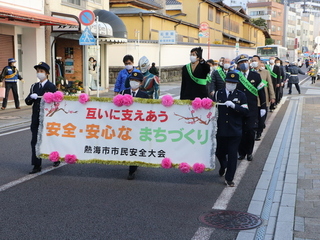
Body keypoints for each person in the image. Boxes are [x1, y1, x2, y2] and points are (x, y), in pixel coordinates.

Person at [214, 71, 248, 187]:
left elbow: (245, 111)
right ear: (225, 82)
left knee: (233, 155)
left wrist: (235, 106)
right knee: (219, 152)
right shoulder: (219, 93)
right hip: (221, 129)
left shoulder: (241, 95)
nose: (231, 84)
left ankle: (229, 179)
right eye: (229, 82)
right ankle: (223, 165)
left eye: (233, 83)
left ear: (237, 84)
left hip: (235, 130)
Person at [25, 62, 58, 174]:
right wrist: (31, 97)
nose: (39, 73)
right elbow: (27, 102)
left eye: (41, 71)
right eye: (38, 71)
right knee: (35, 141)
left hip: (48, 118)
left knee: (50, 140)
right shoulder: (34, 86)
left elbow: (57, 102)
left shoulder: (51, 86)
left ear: (47, 73)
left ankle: (55, 158)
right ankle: (36, 165)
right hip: (36, 118)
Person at [234, 54, 266, 161]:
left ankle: (249, 152)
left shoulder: (255, 76)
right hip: (239, 108)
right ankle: (241, 152)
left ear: (248, 62)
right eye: (241, 63)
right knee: (240, 132)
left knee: (251, 131)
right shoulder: (236, 76)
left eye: (245, 62)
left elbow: (261, 92)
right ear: (238, 65)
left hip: (252, 109)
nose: (243, 64)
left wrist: (263, 107)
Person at [121, 72, 149, 180]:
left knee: (134, 146)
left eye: (137, 81)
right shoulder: (123, 92)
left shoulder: (144, 95)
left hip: (137, 126)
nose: (134, 82)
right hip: (124, 126)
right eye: (132, 80)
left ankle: (132, 170)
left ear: (141, 83)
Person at [251, 56, 276, 141]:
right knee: (253, 118)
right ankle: (254, 132)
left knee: (261, 119)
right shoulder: (249, 73)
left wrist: (272, 96)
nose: (253, 62)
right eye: (252, 61)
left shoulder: (265, 72)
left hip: (263, 99)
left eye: (255, 60)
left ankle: (259, 132)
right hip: (252, 100)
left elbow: (270, 85)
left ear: (259, 62)